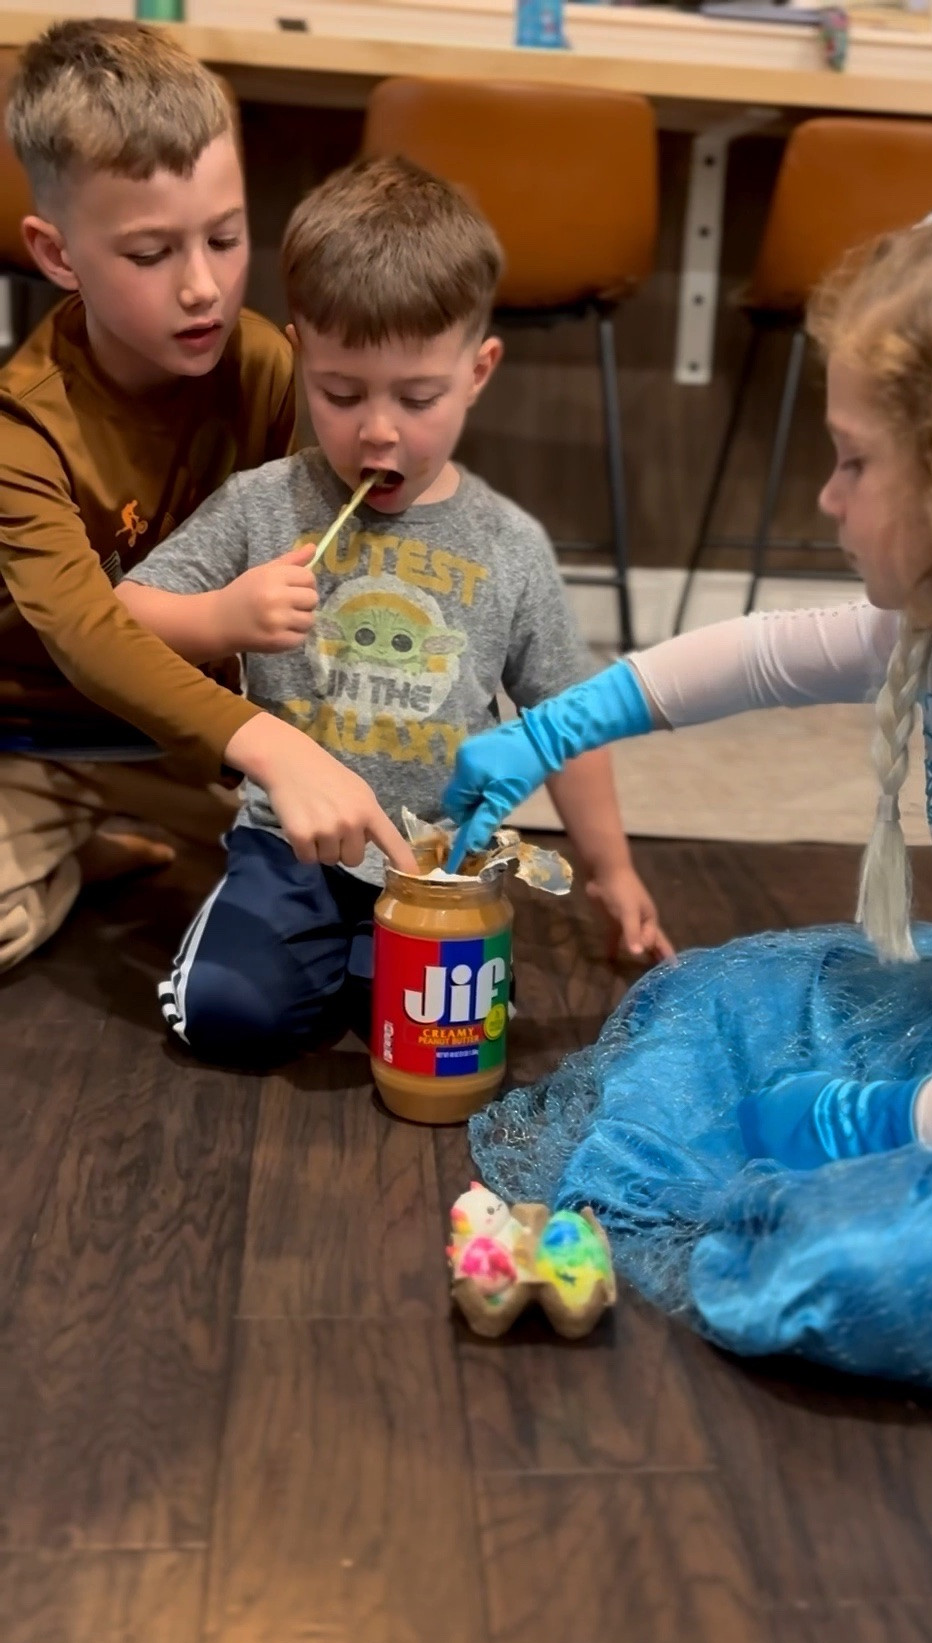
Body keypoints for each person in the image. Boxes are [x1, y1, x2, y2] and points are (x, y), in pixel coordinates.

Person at [444, 182, 932, 1401]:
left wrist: (871, 1121)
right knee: (716, 1007)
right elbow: (765, 657)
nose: (826, 499)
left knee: (837, 1269)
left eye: (854, 464)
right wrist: (558, 727)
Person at [119, 155, 668, 1064]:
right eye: (340, 394)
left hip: (438, 868)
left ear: (478, 371)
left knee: (447, 1038)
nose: (379, 429)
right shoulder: (263, 505)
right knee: (227, 1018)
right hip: (289, 848)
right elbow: (121, 617)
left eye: (418, 398)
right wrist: (222, 618)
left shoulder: (508, 544)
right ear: (300, 353)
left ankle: (353, 965)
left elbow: (568, 719)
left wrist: (613, 869)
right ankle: (310, 957)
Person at [0, 18, 411, 975]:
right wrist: (271, 745)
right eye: (150, 254)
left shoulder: (263, 364)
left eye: (225, 239)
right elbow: (89, 639)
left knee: (366, 855)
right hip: (38, 737)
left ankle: (100, 836)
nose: (204, 288)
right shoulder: (20, 430)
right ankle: (69, 845)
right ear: (58, 255)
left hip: (183, 745)